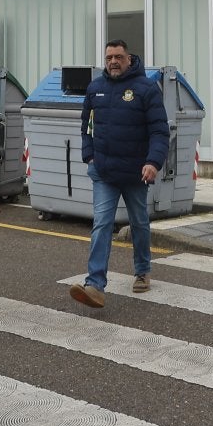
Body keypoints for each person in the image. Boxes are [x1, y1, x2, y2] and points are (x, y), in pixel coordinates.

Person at [70, 40, 169, 309]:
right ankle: (95, 285)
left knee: (139, 223)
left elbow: (159, 132)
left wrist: (153, 162)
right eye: (109, 57)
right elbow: (86, 127)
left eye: (118, 57)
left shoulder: (146, 89)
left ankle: (142, 270)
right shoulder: (95, 89)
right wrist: (89, 155)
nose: (113, 61)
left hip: (137, 172)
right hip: (104, 171)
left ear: (129, 59)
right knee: (101, 224)